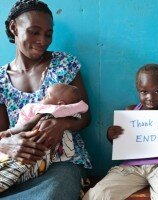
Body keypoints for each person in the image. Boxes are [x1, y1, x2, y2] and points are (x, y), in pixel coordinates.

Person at [0, 0, 91, 199]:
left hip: (60, 164)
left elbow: (85, 116)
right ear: (13, 27)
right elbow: (2, 133)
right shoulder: (0, 80)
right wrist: (8, 144)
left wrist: (63, 123)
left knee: (55, 191)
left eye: (48, 34)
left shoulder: (64, 64)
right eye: (34, 32)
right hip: (18, 162)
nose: (43, 40)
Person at [83, 64, 158, 200]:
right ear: (138, 90)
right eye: (144, 91)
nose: (150, 97)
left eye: (157, 91)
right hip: (130, 168)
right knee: (98, 194)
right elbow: (122, 143)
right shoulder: (130, 112)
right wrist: (111, 135)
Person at [0, 83, 89, 192]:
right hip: (17, 147)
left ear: (60, 103)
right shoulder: (2, 80)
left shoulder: (47, 110)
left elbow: (25, 126)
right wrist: (4, 142)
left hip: (53, 159)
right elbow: (82, 107)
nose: (42, 97)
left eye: (47, 95)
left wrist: (8, 132)